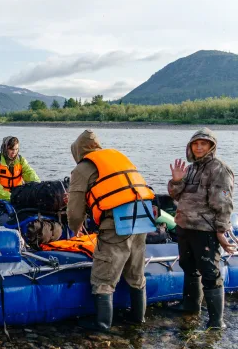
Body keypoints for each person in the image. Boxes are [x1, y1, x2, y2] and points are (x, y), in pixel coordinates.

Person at [67, 129, 154, 332]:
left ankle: (102, 324)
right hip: (141, 219)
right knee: (136, 273)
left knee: (103, 277)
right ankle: (137, 319)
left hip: (117, 223)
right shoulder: (118, 157)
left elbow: (75, 207)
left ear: (78, 150)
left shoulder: (83, 168)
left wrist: (75, 227)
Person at [168, 128, 235, 329]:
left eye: (203, 144)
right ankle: (190, 307)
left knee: (210, 274)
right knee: (189, 268)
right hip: (184, 226)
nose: (198, 147)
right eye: (195, 144)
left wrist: (221, 231)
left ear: (211, 146)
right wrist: (177, 180)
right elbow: (176, 196)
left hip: (205, 230)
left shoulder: (219, 169)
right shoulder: (191, 168)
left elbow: (223, 203)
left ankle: (216, 322)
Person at [0, 136, 40, 214]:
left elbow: (31, 175)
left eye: (16, 149)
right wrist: (13, 197)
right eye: (11, 149)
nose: (14, 152)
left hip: (14, 202)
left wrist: (38, 189)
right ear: (5, 148)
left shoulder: (21, 160)